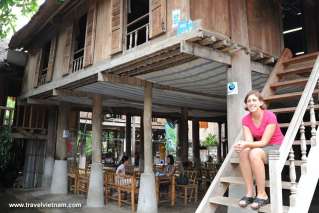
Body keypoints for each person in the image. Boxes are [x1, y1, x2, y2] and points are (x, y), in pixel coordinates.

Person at [234, 90, 284, 210]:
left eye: (254, 100)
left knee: (254, 153)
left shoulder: (270, 116)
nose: (251, 103)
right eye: (249, 101)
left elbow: (264, 142)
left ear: (261, 102)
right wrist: (242, 145)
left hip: (275, 146)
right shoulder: (245, 120)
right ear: (246, 104)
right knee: (244, 151)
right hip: (261, 146)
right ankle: (250, 193)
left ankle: (262, 194)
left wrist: (246, 144)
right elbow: (249, 142)